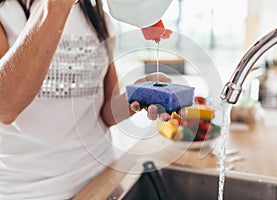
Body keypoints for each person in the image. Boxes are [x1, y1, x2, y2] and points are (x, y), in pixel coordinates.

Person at [0, 0, 172, 199]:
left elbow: (106, 112)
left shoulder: (98, 17)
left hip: (101, 180)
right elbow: (5, 108)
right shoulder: (6, 13)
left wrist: (138, 95)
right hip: (31, 191)